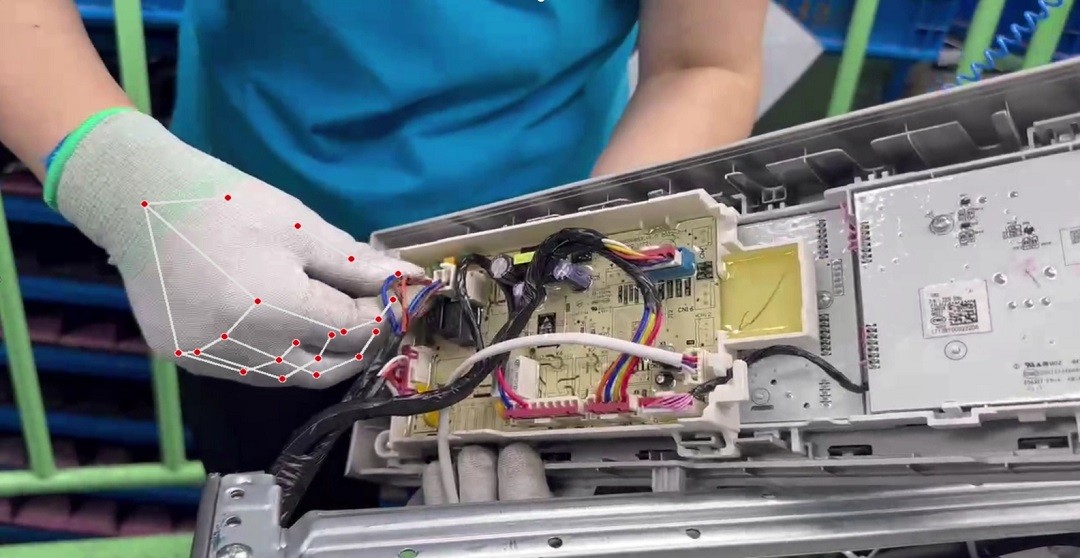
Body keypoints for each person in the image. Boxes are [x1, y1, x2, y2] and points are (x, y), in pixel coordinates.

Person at [0, 0, 766, 516]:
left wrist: (578, 317)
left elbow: (703, 65)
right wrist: (124, 179)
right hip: (235, 254)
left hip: (540, 266)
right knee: (275, 492)